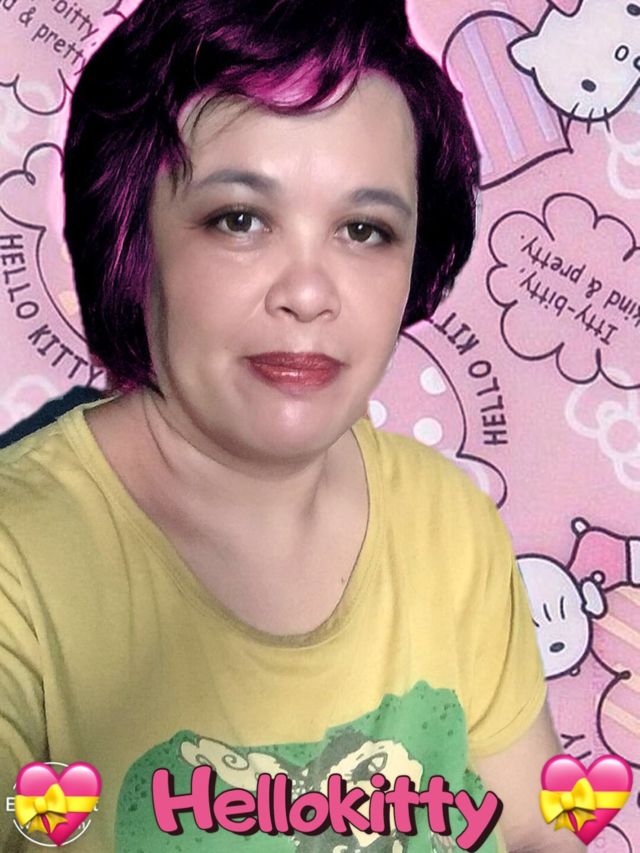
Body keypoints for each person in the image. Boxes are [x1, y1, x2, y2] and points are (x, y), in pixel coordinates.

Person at [0, 0, 582, 851]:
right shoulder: (19, 561)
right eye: (240, 219)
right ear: (133, 236)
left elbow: (538, 828)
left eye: (364, 230)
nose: (308, 293)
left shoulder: (448, 522)